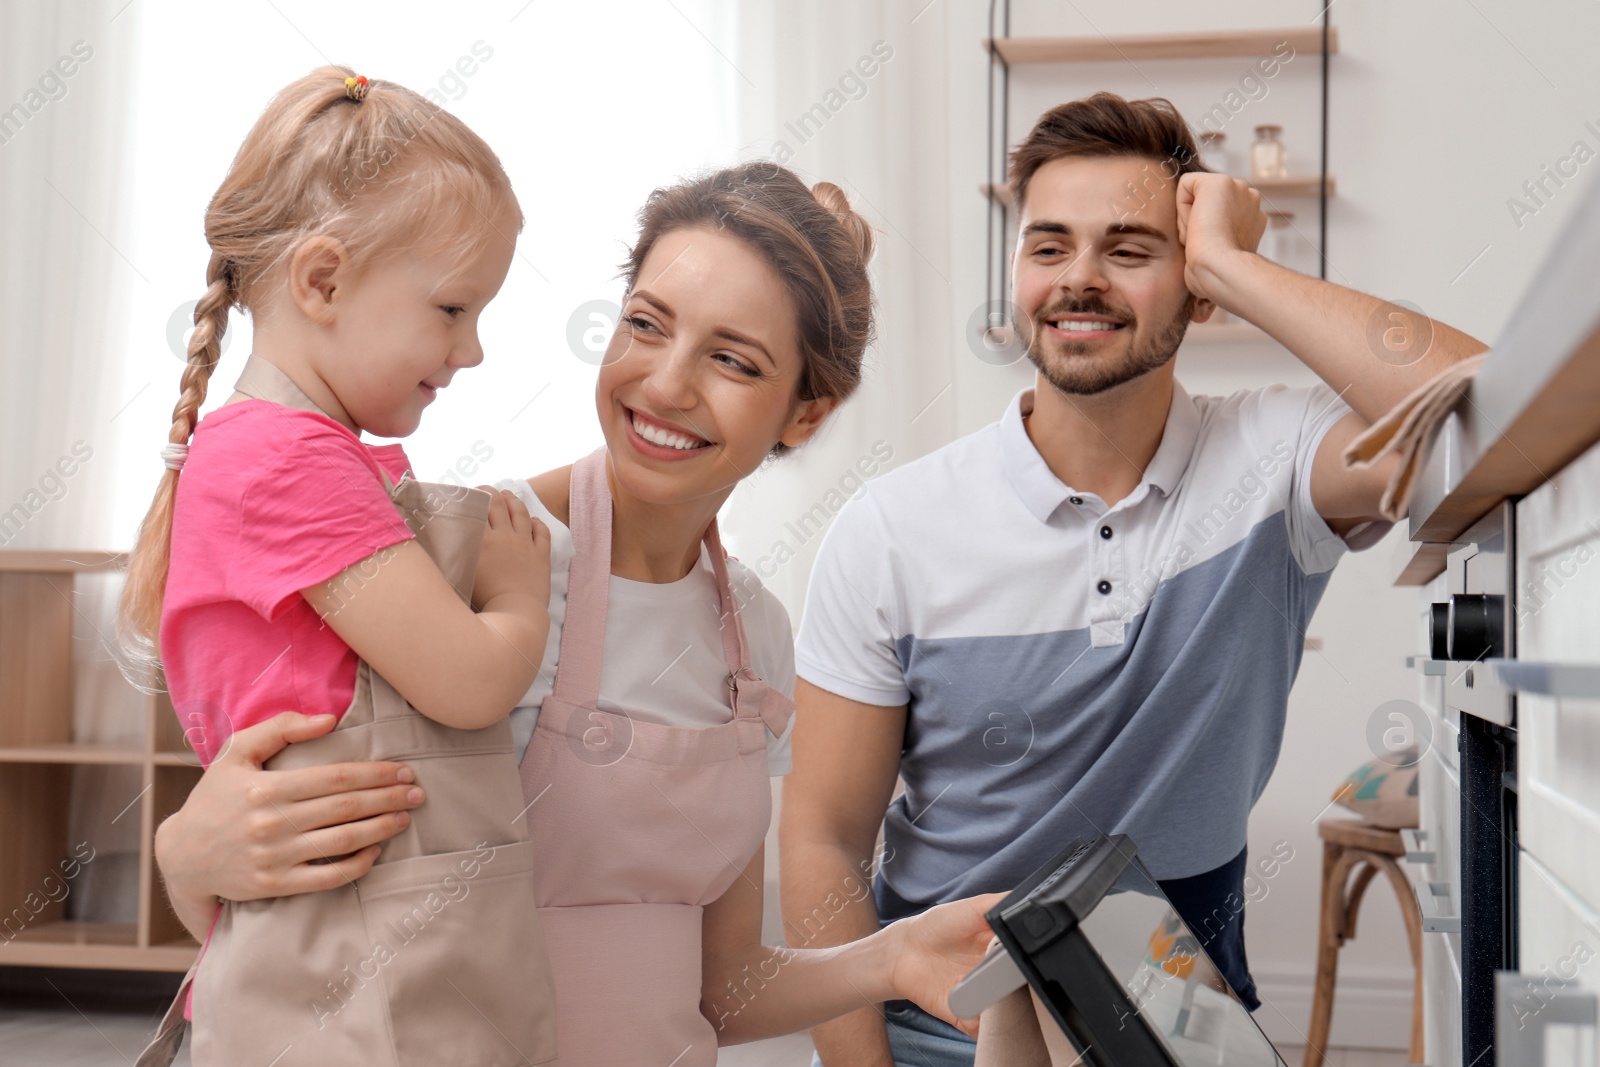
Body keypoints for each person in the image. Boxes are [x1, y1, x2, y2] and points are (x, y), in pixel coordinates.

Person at [152, 161, 1000, 1066]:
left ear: (805, 414)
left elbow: (720, 987)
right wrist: (184, 859)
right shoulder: (471, 561)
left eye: (732, 359)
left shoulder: (752, 631)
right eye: (645, 325)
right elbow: (302, 902)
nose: (666, 384)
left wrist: (894, 957)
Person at [782, 92, 1489, 1067]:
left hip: (1179, 1015)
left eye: (1128, 248)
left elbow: (1479, 419)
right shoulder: (892, 529)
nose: (1079, 278)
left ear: (1196, 284)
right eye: (1047, 246)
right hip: (940, 1025)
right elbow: (821, 834)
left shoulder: (1273, 462)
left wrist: (1240, 265)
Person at [121, 68, 558, 1066]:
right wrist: (517, 590)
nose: (473, 348)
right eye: (452, 309)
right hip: (353, 951)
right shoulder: (286, 461)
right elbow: (468, 677)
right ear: (322, 281)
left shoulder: (290, 453)